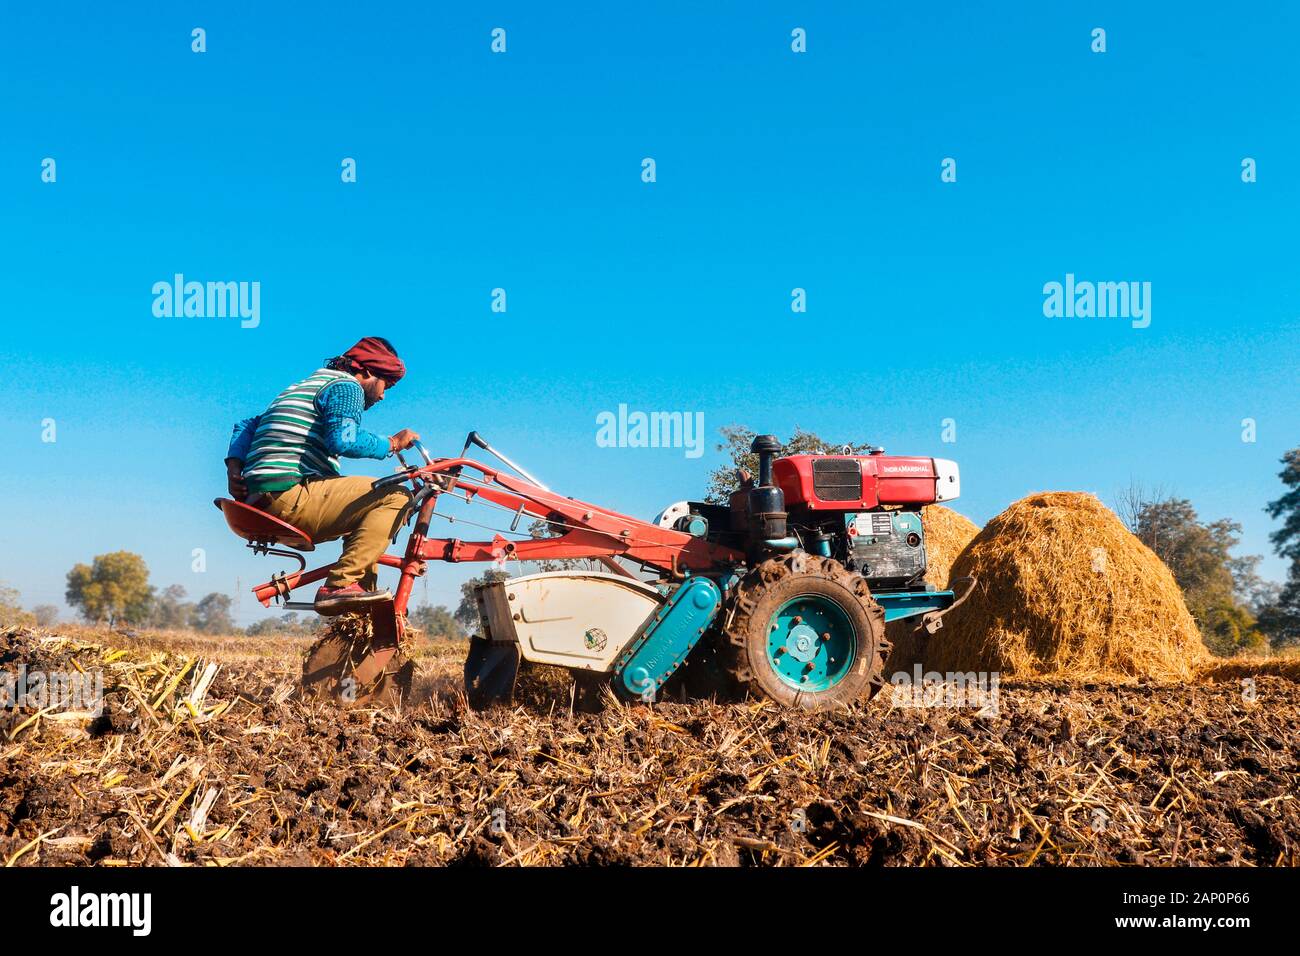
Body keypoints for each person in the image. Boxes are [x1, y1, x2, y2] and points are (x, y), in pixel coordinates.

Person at [224, 336, 421, 614]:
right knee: (397, 496)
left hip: (262, 498)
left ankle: (357, 612)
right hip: (289, 493)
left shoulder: (303, 386)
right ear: (365, 371)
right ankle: (339, 586)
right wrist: (392, 443)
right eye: (385, 385)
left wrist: (234, 468)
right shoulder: (346, 386)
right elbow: (344, 439)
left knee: (366, 523)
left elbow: (247, 424)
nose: (382, 396)